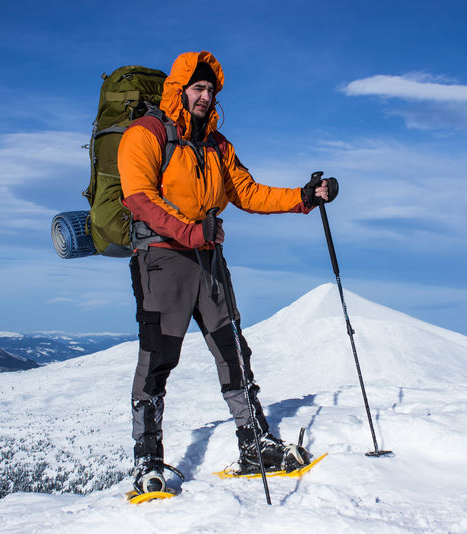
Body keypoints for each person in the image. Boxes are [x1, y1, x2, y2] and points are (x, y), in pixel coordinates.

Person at [118, 50, 338, 493]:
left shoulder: (219, 146)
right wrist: (189, 230)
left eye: (210, 90)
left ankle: (253, 441)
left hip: (210, 261)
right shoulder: (145, 135)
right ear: (179, 90)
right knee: (158, 358)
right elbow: (139, 196)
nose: (205, 96)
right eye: (197, 88)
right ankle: (148, 460)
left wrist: (304, 196)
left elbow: (248, 192)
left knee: (233, 350)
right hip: (162, 260)